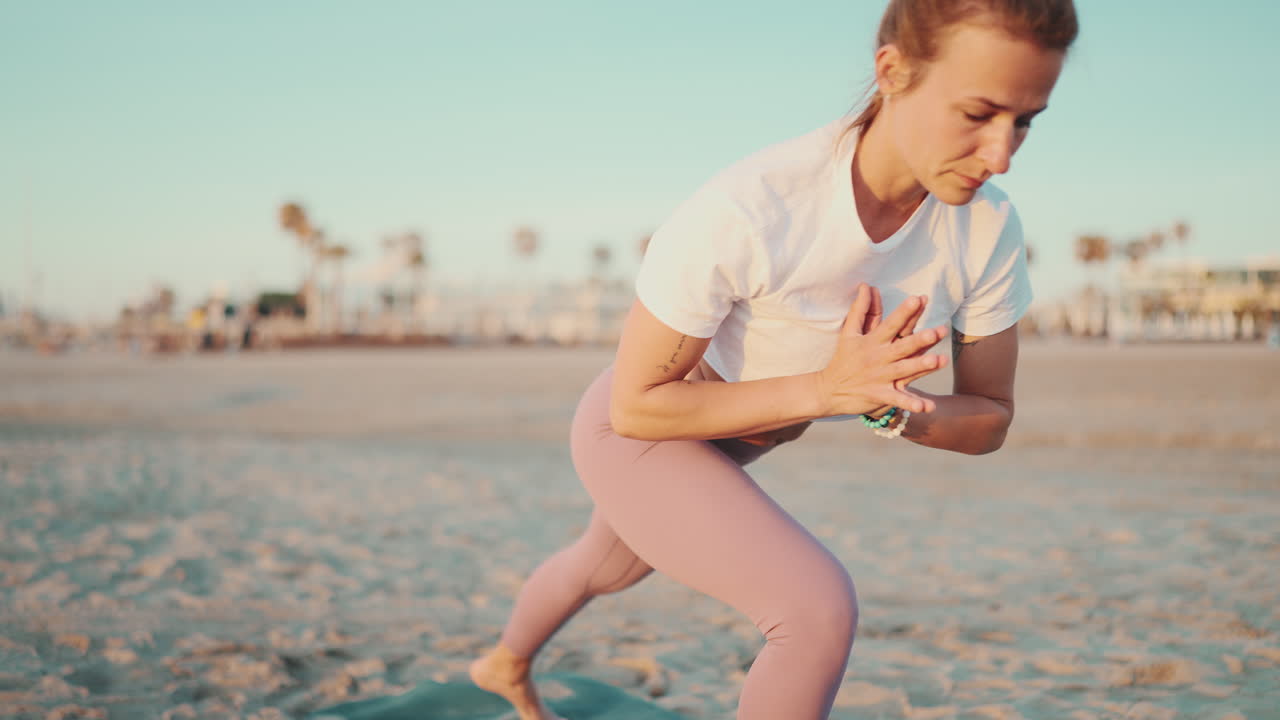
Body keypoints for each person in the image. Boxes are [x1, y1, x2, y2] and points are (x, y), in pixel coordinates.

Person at [470, 1, 1078, 717]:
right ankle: (507, 661)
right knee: (814, 610)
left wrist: (881, 403)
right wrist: (829, 389)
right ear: (894, 72)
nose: (1002, 153)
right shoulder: (754, 207)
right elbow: (637, 405)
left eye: (1026, 120)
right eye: (978, 113)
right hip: (636, 432)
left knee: (601, 565)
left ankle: (505, 664)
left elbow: (988, 420)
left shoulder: (987, 229)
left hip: (728, 449)